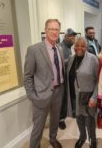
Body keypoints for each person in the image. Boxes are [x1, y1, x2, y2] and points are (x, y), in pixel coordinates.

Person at [24, 19, 64, 148]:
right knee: (38, 126)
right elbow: (28, 75)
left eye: (56, 29)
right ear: (46, 30)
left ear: (59, 31)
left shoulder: (60, 48)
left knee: (55, 120)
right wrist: (32, 96)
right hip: (41, 94)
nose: (54, 32)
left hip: (58, 91)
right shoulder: (34, 50)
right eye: (51, 29)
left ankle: (53, 139)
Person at [65, 37, 99, 148]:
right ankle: (82, 137)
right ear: (74, 46)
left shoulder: (93, 59)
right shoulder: (70, 58)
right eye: (77, 45)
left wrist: (94, 96)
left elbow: (99, 80)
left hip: (88, 97)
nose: (79, 48)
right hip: (75, 96)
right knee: (79, 119)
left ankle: (93, 140)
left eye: (82, 46)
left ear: (87, 47)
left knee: (90, 121)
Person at [58, 28, 77, 130]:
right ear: (65, 37)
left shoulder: (69, 47)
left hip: (69, 78)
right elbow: (60, 64)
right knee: (63, 99)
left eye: (74, 36)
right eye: (70, 36)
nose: (72, 38)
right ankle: (60, 119)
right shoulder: (61, 47)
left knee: (69, 97)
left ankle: (70, 112)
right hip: (62, 80)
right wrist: (71, 60)